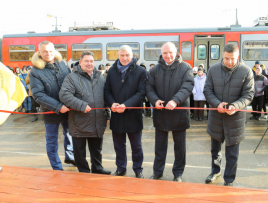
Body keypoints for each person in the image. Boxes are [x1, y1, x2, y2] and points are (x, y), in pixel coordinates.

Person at [203, 44, 254, 186]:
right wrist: (216, 103)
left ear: (238, 56)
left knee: (232, 153)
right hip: (216, 118)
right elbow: (207, 90)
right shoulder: (213, 69)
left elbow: (249, 94)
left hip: (235, 119)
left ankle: (229, 179)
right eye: (226, 58)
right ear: (222, 55)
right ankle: (215, 171)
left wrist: (236, 106)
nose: (229, 62)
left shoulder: (246, 71)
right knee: (215, 149)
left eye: (232, 59)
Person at [146, 42, 194, 182]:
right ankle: (157, 171)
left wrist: (175, 100)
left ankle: (178, 173)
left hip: (179, 114)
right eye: (165, 53)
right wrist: (154, 101)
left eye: (170, 52)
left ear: (176, 52)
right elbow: (149, 88)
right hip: (161, 114)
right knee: (159, 146)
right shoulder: (155, 70)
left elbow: (188, 86)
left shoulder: (186, 68)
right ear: (161, 54)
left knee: (180, 147)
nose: (168, 55)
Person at [59, 51, 111, 174]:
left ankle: (97, 168)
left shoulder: (100, 76)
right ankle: (83, 171)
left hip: (98, 120)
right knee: (79, 151)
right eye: (86, 61)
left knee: (97, 149)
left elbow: (105, 97)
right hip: (79, 122)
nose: (89, 63)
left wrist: (107, 114)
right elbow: (64, 95)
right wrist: (81, 105)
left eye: (91, 61)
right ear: (80, 62)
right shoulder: (71, 77)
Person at [30, 41, 75, 170]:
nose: (48, 54)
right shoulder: (35, 71)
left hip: (68, 109)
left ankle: (70, 157)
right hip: (50, 111)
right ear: (39, 53)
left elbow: (71, 84)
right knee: (52, 141)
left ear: (54, 51)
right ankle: (56, 167)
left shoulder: (62, 64)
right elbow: (38, 95)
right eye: (44, 51)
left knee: (70, 134)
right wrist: (58, 106)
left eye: (50, 51)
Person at [104, 45, 146, 178]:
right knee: (119, 146)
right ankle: (121, 168)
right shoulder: (111, 71)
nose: (124, 58)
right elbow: (107, 91)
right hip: (117, 114)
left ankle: (138, 169)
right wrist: (112, 103)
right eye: (122, 55)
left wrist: (126, 105)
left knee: (136, 146)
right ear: (118, 56)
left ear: (132, 55)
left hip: (133, 114)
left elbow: (141, 93)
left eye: (127, 55)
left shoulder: (140, 71)